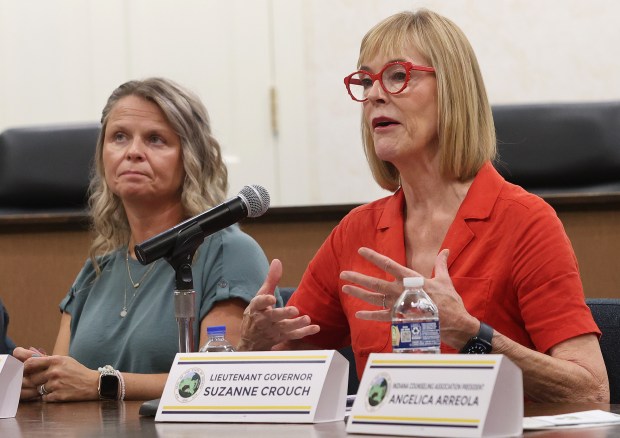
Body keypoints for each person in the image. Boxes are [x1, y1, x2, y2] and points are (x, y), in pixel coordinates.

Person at [238, 9, 609, 403]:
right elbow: (279, 378)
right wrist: (253, 343)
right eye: (366, 81)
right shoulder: (356, 233)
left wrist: (471, 334)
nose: (375, 94)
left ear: (452, 90)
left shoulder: (524, 222)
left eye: (398, 76)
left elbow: (591, 390)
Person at [13, 77, 270, 402]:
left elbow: (218, 380)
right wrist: (40, 380)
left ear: (190, 157)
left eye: (156, 140)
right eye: (119, 137)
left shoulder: (228, 252)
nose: (133, 152)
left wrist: (104, 384)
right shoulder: (96, 269)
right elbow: (67, 381)